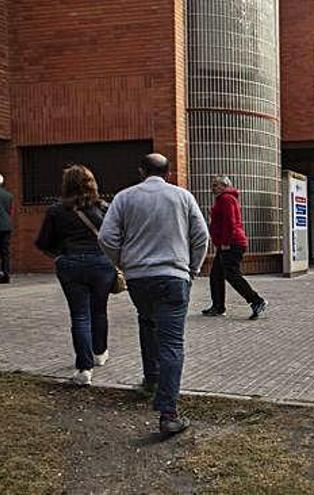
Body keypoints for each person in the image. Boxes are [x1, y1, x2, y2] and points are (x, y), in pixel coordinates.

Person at [98, 153, 208, 435]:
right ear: (169, 173)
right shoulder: (183, 197)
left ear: (140, 170)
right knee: (172, 342)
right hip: (173, 278)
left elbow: (106, 237)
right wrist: (191, 269)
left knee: (147, 323)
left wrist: (123, 261)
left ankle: (151, 379)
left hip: (139, 279)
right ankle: (168, 412)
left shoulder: (124, 198)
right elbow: (201, 237)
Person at [34, 166, 117, 386]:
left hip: (70, 263)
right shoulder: (104, 208)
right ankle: (100, 353)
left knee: (80, 315)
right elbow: (115, 238)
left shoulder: (56, 211)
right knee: (99, 310)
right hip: (101, 264)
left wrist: (60, 257)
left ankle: (84, 368)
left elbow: (43, 243)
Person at [201, 176, 268, 319]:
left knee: (231, 274)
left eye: (215, 185)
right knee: (216, 275)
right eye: (212, 185)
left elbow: (230, 222)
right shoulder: (224, 199)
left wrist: (225, 242)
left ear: (224, 186)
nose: (212, 188)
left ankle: (257, 301)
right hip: (228, 243)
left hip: (231, 243)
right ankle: (218, 307)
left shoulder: (226, 199)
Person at [0, 173, 13, 284]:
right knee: (5, 252)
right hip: (6, 226)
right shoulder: (8, 195)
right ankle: (6, 274)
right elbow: (8, 211)